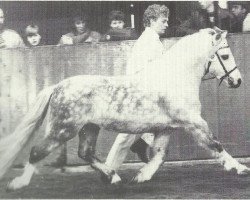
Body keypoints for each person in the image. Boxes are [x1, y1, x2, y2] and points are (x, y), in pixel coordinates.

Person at [105, 4, 170, 172]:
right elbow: (144, 71)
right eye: (163, 21)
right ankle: (109, 169)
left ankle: (142, 144)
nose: (167, 24)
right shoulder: (148, 41)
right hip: (139, 94)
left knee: (164, 122)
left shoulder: (152, 40)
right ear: (152, 20)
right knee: (126, 136)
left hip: (144, 93)